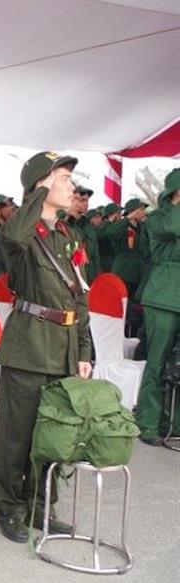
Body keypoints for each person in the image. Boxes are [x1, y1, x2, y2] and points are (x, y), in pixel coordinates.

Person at [0, 151, 91, 543]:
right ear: (42, 184)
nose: (72, 187)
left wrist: (84, 350)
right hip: (29, 345)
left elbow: (80, 297)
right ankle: (8, 507)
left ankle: (39, 505)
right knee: (16, 436)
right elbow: (12, 238)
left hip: (64, 346)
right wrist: (37, 194)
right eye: (64, 179)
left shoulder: (69, 236)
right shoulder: (21, 231)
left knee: (51, 432)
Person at [134, 168, 180, 445]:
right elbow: (174, 227)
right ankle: (149, 422)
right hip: (163, 296)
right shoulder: (159, 218)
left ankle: (172, 421)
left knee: (178, 362)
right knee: (157, 360)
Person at [107, 197, 149, 299]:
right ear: (133, 212)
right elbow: (110, 232)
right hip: (123, 273)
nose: (144, 212)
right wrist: (128, 218)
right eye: (141, 210)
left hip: (138, 274)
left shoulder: (142, 227)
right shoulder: (122, 226)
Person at [64, 183, 100, 285]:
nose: (86, 204)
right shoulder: (61, 224)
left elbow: (95, 254)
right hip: (70, 279)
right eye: (81, 200)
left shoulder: (86, 225)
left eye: (87, 201)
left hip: (88, 276)